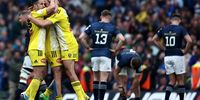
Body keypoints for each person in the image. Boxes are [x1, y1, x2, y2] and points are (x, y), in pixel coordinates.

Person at [24, 0, 89, 99]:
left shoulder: (59, 12)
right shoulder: (44, 14)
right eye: (43, 4)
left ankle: (79, 97)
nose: (45, 5)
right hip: (56, 47)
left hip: (67, 45)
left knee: (68, 71)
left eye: (46, 3)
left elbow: (44, 24)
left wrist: (30, 17)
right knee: (58, 72)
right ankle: (46, 92)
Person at [20, 0, 63, 100]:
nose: (43, 5)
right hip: (36, 48)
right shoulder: (37, 13)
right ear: (35, 6)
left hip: (37, 48)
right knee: (38, 75)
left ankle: (27, 93)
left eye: (44, 4)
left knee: (41, 74)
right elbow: (53, 8)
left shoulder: (34, 14)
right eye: (41, 4)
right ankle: (29, 97)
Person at [79, 10, 125, 100]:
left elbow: (81, 37)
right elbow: (122, 39)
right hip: (106, 54)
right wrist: (116, 50)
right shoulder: (112, 27)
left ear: (101, 16)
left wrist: (88, 47)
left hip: (94, 54)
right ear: (109, 17)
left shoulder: (93, 25)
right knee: (103, 79)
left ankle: (96, 99)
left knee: (96, 78)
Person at [152, 13, 192, 100]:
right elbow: (190, 41)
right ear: (180, 21)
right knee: (180, 80)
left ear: (171, 20)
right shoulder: (181, 29)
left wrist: (163, 48)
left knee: (172, 81)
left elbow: (154, 39)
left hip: (168, 56)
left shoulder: (164, 28)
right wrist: (185, 51)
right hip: (177, 55)